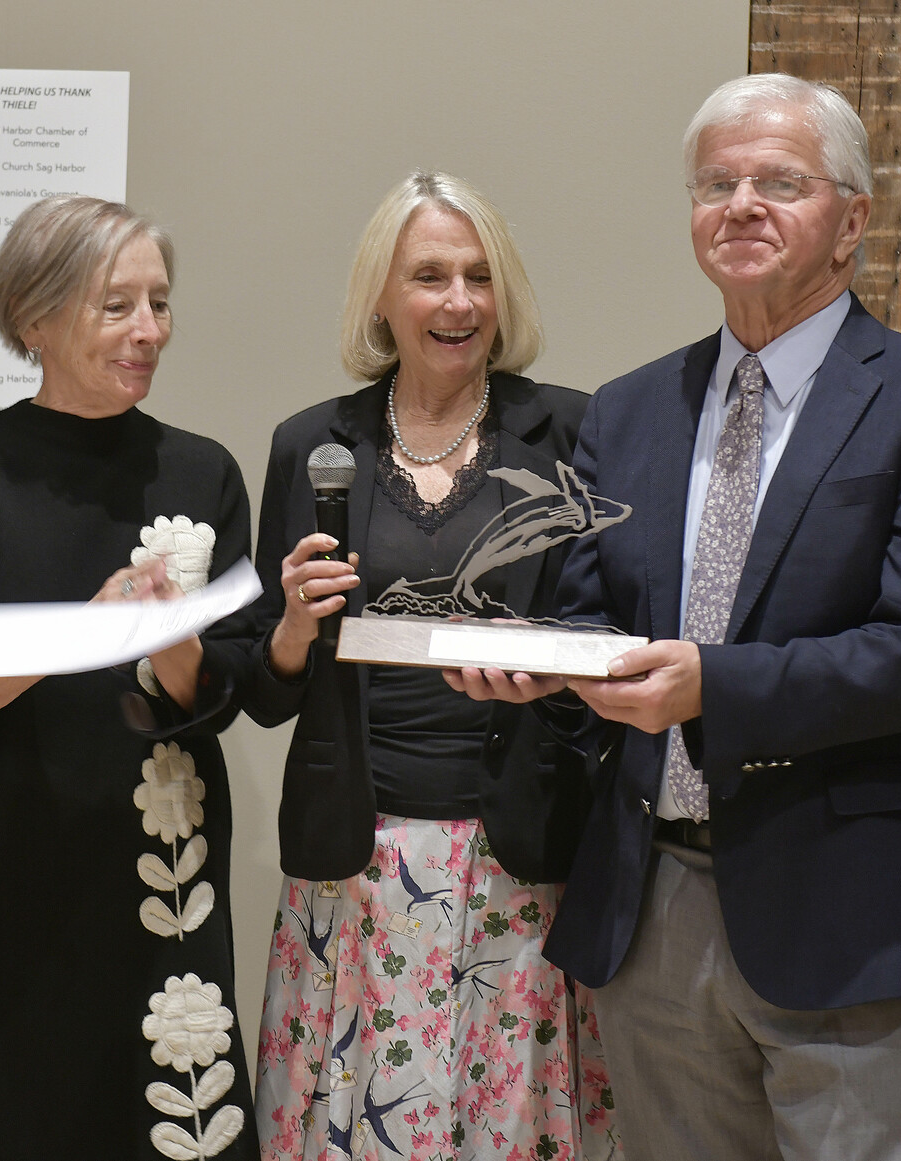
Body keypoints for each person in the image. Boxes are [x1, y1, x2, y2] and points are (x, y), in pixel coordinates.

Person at [501, 75, 901, 1160]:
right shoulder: (631, 411)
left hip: (851, 915)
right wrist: (540, 676)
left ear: (853, 220)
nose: (740, 205)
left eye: (779, 182)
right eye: (716, 183)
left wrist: (712, 688)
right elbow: (598, 625)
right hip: (654, 909)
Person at [238, 171, 621, 1161]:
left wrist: (552, 678)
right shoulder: (311, 448)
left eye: (479, 277)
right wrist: (288, 631)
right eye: (430, 277)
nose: (459, 302)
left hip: (520, 859)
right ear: (382, 298)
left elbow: (609, 647)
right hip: (354, 863)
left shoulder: (576, 434)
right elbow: (267, 688)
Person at [0, 195, 258, 1160]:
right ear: (34, 317)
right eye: (116, 304)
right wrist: (73, 638)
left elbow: (230, 690)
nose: (148, 330)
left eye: (159, 303)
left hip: (153, 882)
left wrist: (167, 637)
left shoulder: (201, 472)